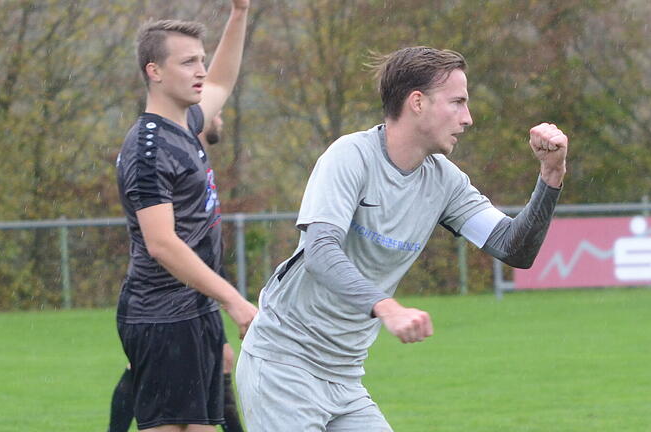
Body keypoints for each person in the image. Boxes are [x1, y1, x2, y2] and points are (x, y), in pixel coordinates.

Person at [236, 46, 568, 431]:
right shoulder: (350, 156)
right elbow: (320, 252)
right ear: (417, 103)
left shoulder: (444, 180)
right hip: (283, 366)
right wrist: (387, 308)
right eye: (457, 103)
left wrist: (551, 174)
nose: (468, 118)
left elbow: (515, 248)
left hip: (344, 378)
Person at [114, 0, 257, 430]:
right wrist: (233, 299)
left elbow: (223, 80)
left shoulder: (186, 121)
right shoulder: (148, 149)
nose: (200, 70)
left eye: (201, 60)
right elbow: (161, 243)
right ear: (154, 71)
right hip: (161, 317)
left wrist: (239, 14)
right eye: (188, 62)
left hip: (195, 311)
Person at [107, 114, 244, 432]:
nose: (218, 116)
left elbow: (218, 86)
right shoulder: (156, 149)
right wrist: (233, 300)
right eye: (216, 114)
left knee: (219, 369)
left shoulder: (187, 149)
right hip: (164, 306)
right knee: (172, 415)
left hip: (197, 302)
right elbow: (162, 244)